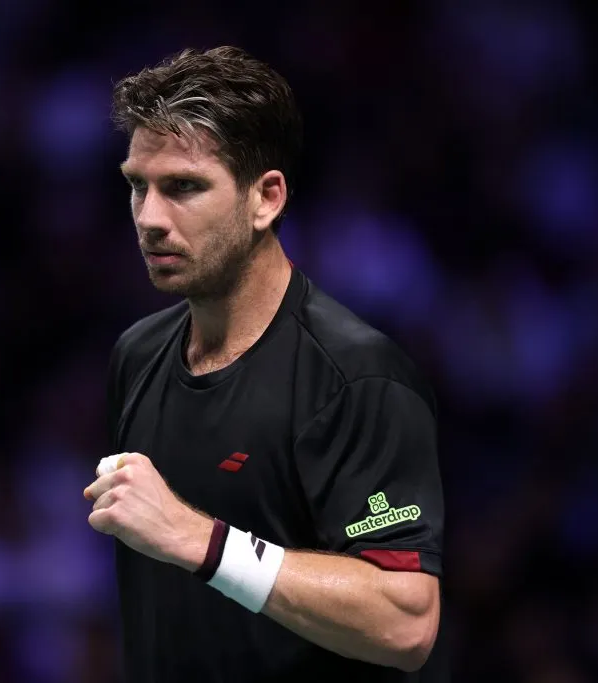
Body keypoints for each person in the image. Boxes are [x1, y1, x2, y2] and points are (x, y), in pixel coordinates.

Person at [83, 45, 446, 682]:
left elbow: (405, 622)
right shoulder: (136, 354)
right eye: (137, 185)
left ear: (266, 198)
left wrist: (202, 541)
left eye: (184, 188)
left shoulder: (355, 377)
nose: (149, 218)